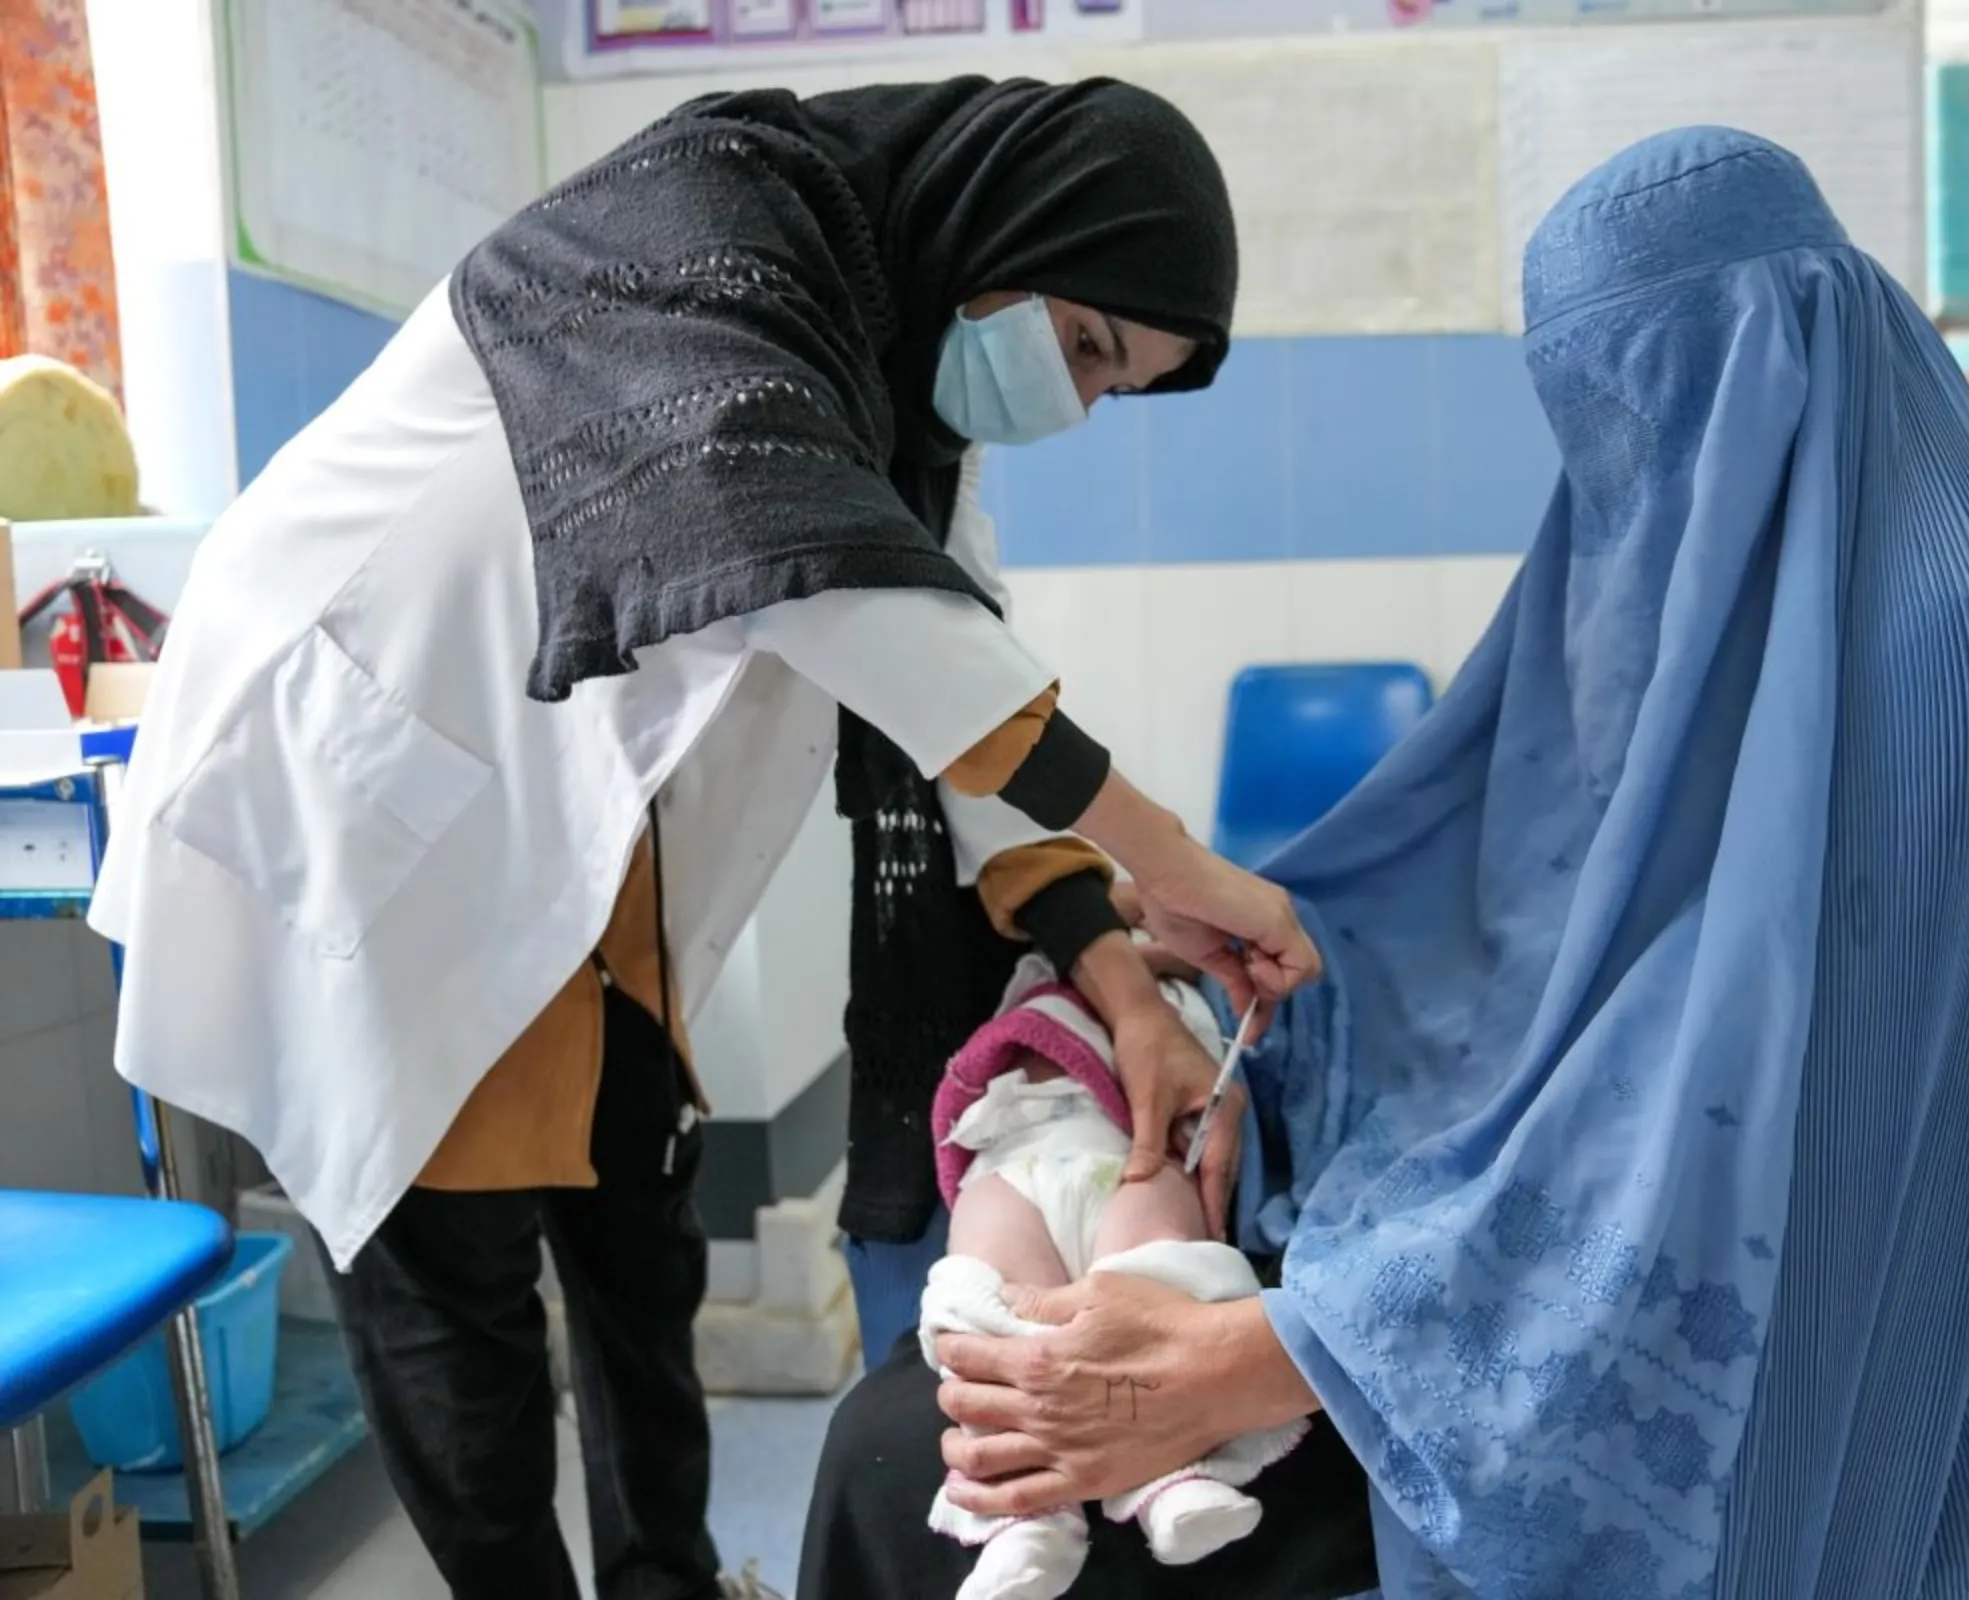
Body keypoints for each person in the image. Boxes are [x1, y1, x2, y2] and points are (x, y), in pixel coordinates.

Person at [798, 126, 1969, 1600]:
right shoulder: (1683, 572)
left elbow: (1776, 1158)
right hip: (1507, 1259)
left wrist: (1265, 1356)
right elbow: (1507, 925)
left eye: (1653, 408)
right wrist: (1248, 1026)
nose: (1625, 468)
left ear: (1779, 358)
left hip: (1650, 1376)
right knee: (937, 1410)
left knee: (905, 1464)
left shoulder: (1948, 643)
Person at [87, 78, 1320, 1600]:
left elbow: (963, 661)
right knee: (455, 1304)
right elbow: (833, 578)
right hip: (373, 817)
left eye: (1109, 383)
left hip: (584, 867)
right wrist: (1177, 858)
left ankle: (667, 1581)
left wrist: (1120, 974)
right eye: (1079, 344)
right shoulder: (697, 226)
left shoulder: (893, 391)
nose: (1069, 399)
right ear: (1006, 219)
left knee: (636, 1245)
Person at [919, 953, 1311, 1600]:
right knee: (975, 1297)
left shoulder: (1196, 999)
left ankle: (1173, 1476)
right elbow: (1050, 910)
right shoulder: (1047, 958)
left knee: (1160, 1262)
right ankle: (1026, 1520)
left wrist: (1184, 950)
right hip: (1010, 1167)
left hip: (1133, 1156)